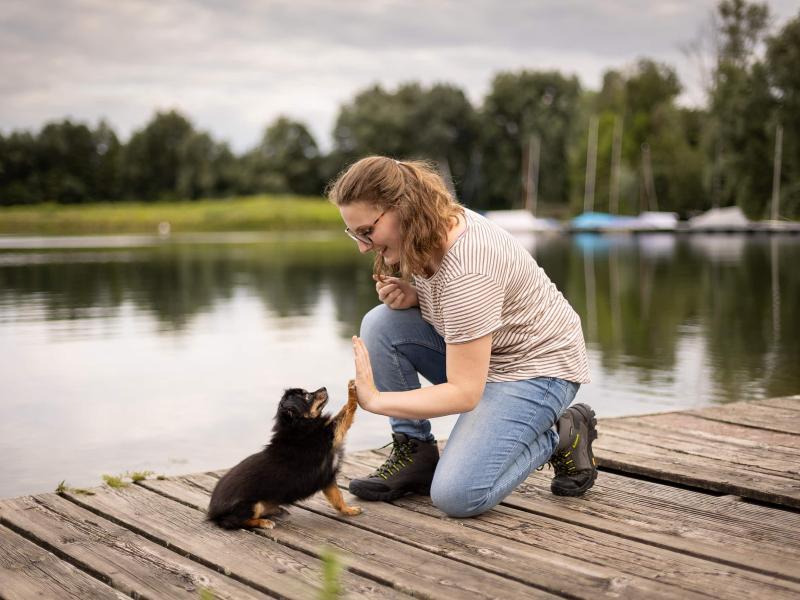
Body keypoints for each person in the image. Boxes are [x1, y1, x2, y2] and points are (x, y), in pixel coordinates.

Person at [327, 155, 596, 518]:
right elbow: (459, 307)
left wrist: (377, 400)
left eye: (366, 232)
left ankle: (560, 433)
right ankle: (416, 453)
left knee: (458, 495)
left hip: (537, 370)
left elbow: (465, 392)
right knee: (382, 323)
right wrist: (415, 296)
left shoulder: (469, 266)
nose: (362, 246)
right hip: (487, 357)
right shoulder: (427, 227)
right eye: (354, 234)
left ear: (400, 208)